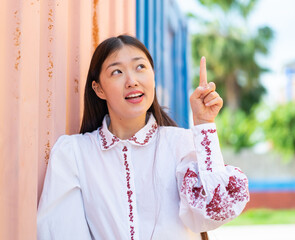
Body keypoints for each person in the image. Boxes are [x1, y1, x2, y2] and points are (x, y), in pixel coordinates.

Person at [37, 35, 249, 240]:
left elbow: (214, 212)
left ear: (153, 77)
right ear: (98, 89)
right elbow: (61, 231)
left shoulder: (181, 144)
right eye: (117, 72)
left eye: (140, 67)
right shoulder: (73, 153)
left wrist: (204, 124)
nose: (132, 81)